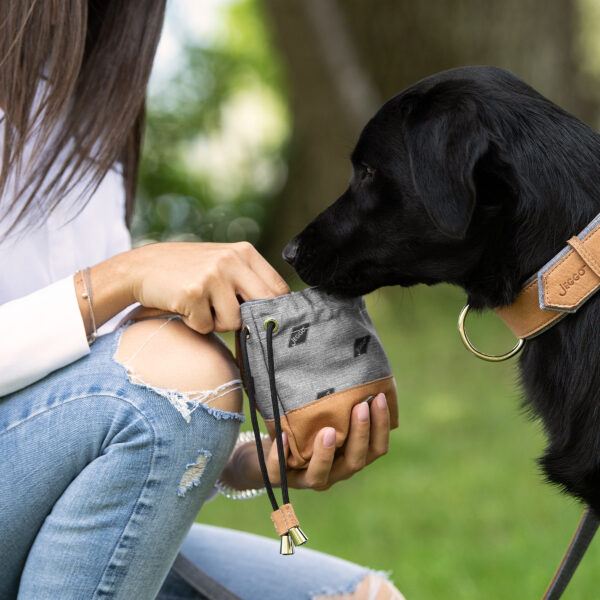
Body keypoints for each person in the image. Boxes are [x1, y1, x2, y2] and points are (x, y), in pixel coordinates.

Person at [0, 2, 405, 599]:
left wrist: (250, 465)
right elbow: (135, 394)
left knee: (362, 596)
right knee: (172, 374)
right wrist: (125, 276)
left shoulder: (88, 128)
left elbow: (97, 425)